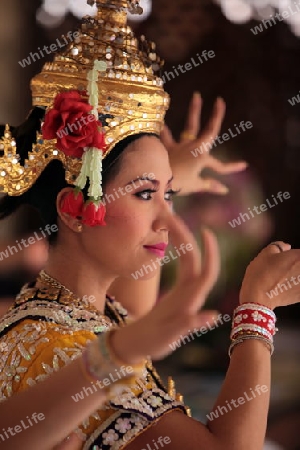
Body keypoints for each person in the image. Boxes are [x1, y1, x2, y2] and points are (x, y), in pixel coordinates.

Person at [1, 2, 300, 449]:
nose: (167, 218)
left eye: (170, 195)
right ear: (73, 209)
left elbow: (137, 307)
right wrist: (256, 312)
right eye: (145, 195)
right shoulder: (60, 348)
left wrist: (159, 178)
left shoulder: (81, 311)